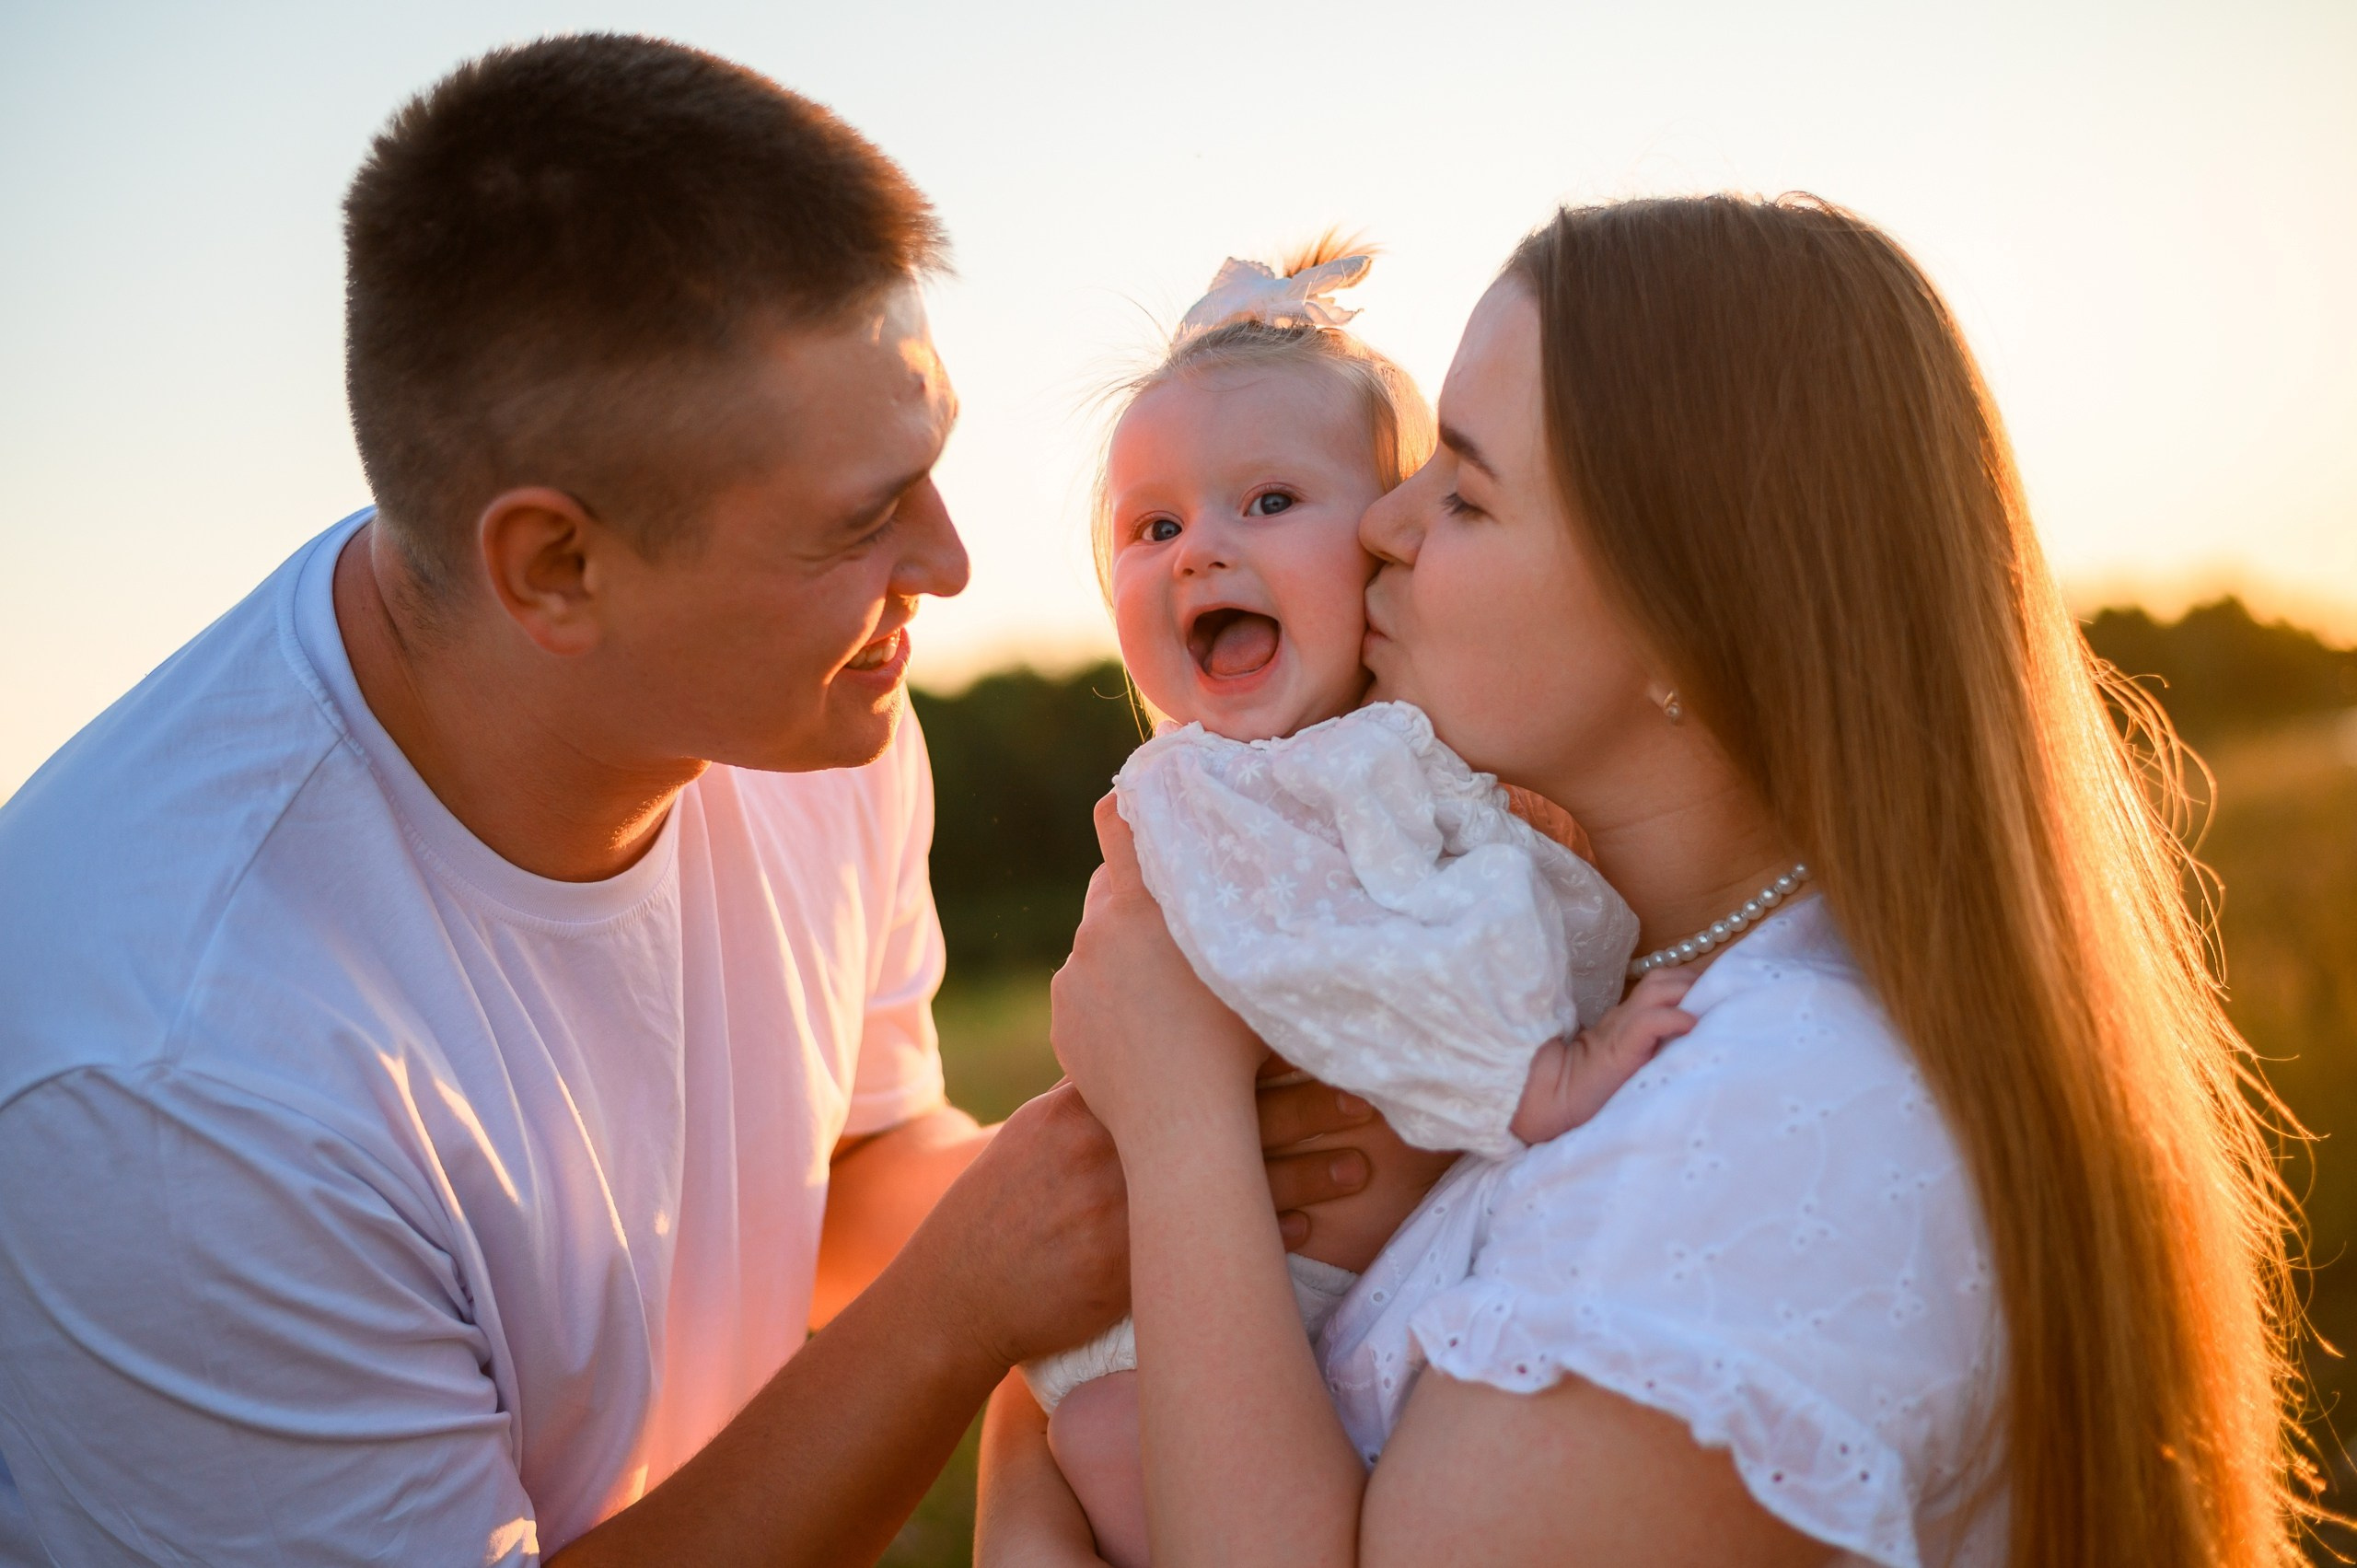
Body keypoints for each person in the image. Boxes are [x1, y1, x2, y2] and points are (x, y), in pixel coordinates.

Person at [0, 36, 1377, 1568]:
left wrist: (1156, 1171)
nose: (947, 563)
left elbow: (850, 1169)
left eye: (925, 468)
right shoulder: (172, 1090)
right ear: (556, 569)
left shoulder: (807, 712)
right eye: (861, 519)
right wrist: (962, 1305)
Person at [991, 194, 2312, 1566]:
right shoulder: (1627, 995)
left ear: (1690, 616)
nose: (1383, 521)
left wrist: (1179, 1113)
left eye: (1467, 487)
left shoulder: (1769, 1129)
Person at [1018, 242, 1695, 1567]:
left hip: (1308, 1285)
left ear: (1387, 540)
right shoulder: (1226, 802)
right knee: (1112, 1441)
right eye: (1152, 529)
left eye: (1267, 501)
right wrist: (1536, 1075)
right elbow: (1345, 973)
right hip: (1169, 1318)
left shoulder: (1398, 760)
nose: (1200, 549)